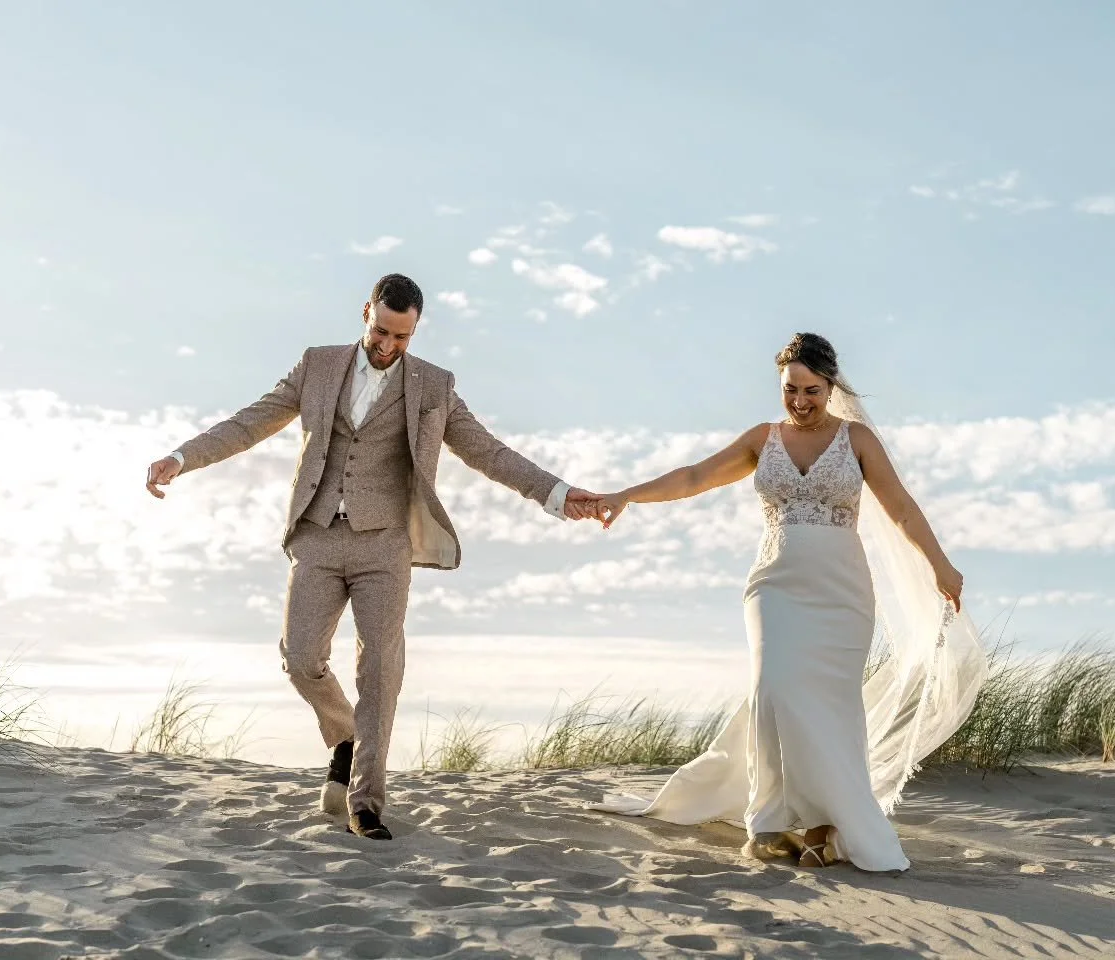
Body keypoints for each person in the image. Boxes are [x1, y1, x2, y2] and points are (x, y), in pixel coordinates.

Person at [145, 273, 599, 841]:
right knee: (300, 657)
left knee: (380, 671)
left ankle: (366, 803)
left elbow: (489, 452)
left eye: (401, 337)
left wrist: (558, 494)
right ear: (367, 312)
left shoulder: (434, 386)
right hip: (316, 534)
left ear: (415, 331)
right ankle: (344, 736)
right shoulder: (317, 366)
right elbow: (250, 422)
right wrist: (181, 458)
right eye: (381, 331)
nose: (388, 346)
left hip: (384, 544)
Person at [587, 333, 987, 872]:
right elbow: (694, 477)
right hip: (773, 584)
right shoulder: (763, 439)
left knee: (831, 706)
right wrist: (626, 495)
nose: (799, 401)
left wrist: (941, 565)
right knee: (773, 688)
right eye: (790, 389)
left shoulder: (857, 440)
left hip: (841, 593)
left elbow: (902, 509)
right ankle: (768, 822)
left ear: (832, 386)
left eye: (811, 390)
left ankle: (824, 824)